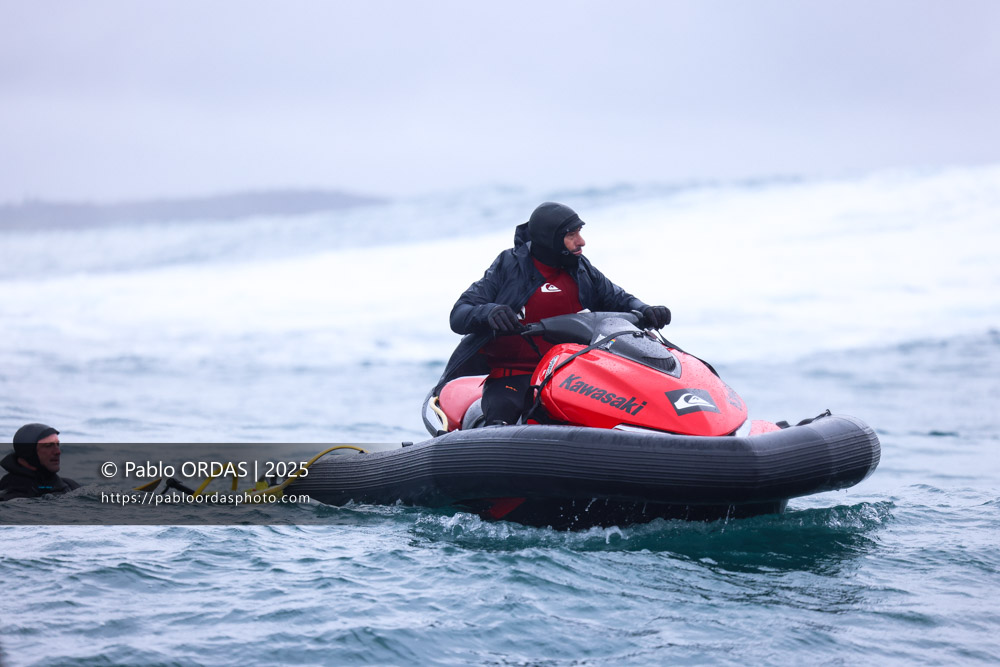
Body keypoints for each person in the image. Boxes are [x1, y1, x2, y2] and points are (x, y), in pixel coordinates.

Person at [438, 202, 671, 425]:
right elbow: (460, 314)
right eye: (572, 235)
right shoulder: (509, 265)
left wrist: (645, 310)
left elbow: (619, 299)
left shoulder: (580, 268)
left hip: (569, 379)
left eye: (579, 232)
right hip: (513, 377)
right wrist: (489, 312)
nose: (581, 241)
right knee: (501, 416)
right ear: (550, 240)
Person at [0, 423, 80, 501]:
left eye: (57, 444)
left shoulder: (70, 485)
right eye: (48, 445)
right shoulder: (11, 495)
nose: (58, 452)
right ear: (28, 452)